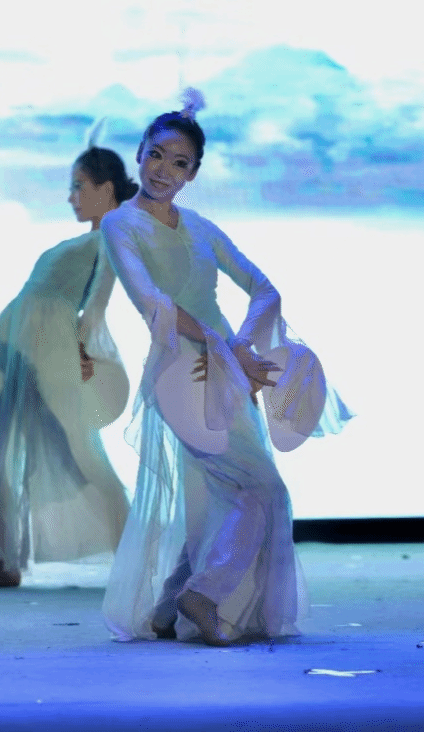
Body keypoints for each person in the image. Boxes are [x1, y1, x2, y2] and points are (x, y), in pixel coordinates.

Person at [99, 90, 350, 647]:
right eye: (156, 155)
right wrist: (222, 346)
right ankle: (204, 596)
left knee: (227, 494)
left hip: (226, 371)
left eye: (179, 163)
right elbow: (155, 305)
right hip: (181, 375)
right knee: (260, 490)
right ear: (139, 153)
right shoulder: (120, 224)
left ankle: (169, 607)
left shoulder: (202, 228)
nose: (163, 170)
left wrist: (240, 345)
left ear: (193, 173)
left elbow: (265, 289)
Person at [0, 134, 135, 589]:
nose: (71, 196)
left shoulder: (114, 241)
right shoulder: (91, 240)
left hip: (46, 352)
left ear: (106, 188)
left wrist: (84, 349)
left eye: (79, 185)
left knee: (78, 454)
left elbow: (97, 305)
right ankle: (6, 558)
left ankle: (134, 552)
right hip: (10, 345)